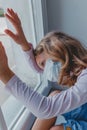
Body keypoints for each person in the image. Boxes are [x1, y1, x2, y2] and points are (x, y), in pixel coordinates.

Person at [0, 8, 87, 130]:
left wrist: (4, 74)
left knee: (55, 128)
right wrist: (24, 44)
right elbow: (37, 68)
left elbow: (46, 108)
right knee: (54, 95)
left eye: (48, 63)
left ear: (61, 51)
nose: (47, 71)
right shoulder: (75, 67)